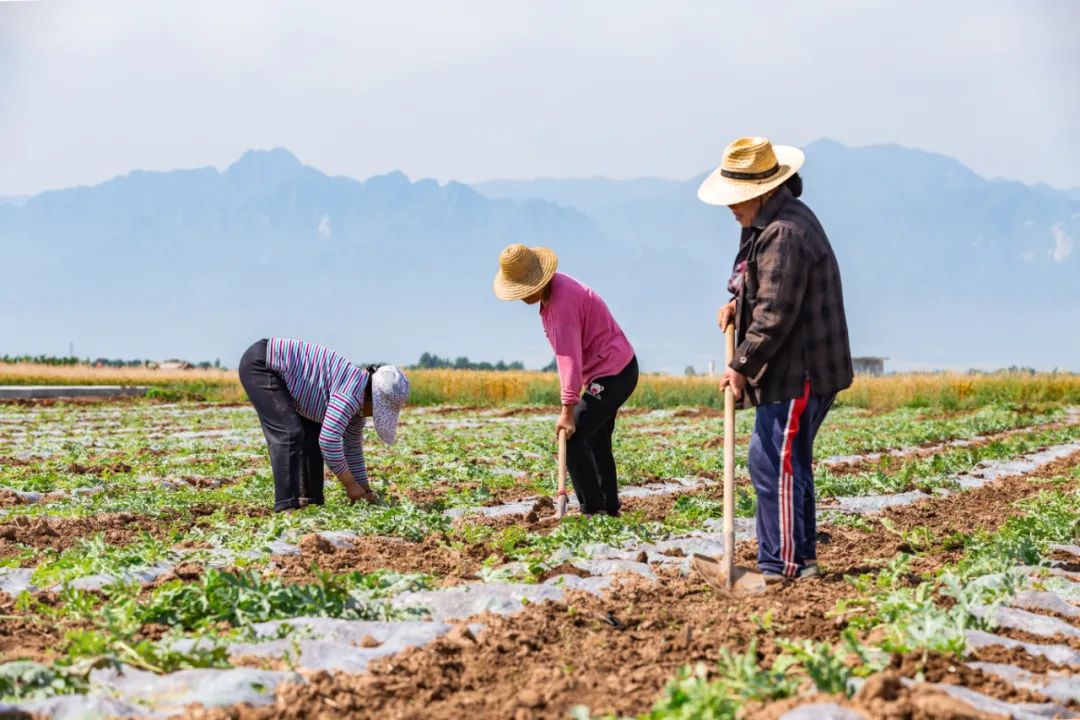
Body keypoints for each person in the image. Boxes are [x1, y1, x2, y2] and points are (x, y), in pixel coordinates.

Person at [698, 137, 853, 581]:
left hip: (799, 368)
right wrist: (734, 301)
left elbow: (775, 314)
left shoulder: (784, 232)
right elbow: (751, 277)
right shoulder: (762, 223)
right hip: (793, 365)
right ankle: (799, 562)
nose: (731, 207)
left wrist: (741, 364)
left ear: (762, 190)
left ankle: (780, 565)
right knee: (789, 461)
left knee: (772, 461)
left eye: (737, 199)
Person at [493, 244, 638, 517]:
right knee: (595, 438)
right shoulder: (553, 291)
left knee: (574, 435)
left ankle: (593, 510)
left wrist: (567, 411)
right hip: (613, 369)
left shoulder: (561, 305)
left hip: (614, 371)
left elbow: (568, 359)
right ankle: (609, 508)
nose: (519, 297)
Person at [238, 337, 409, 512]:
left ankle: (311, 503)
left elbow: (352, 449)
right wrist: (350, 485)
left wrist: (365, 489)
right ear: (372, 398)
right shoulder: (350, 394)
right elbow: (329, 441)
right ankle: (286, 506)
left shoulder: (359, 408)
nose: (374, 415)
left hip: (289, 379)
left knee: (312, 434)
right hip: (264, 364)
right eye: (378, 410)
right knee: (290, 433)